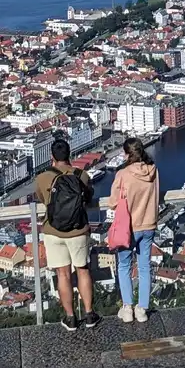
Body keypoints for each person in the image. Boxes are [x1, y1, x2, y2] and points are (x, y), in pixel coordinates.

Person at [35, 139, 100, 331]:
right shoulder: (82, 175)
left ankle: (70, 318)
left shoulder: (42, 178)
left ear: (52, 157)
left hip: (53, 231)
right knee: (82, 269)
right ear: (70, 155)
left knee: (62, 274)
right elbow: (87, 199)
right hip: (78, 230)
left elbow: (43, 200)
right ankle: (89, 314)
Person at [109, 137, 159, 323]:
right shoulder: (153, 170)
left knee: (124, 266)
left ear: (127, 154)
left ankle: (128, 307)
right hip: (149, 224)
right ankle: (142, 309)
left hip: (129, 228)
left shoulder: (123, 174)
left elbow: (113, 202)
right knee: (145, 266)